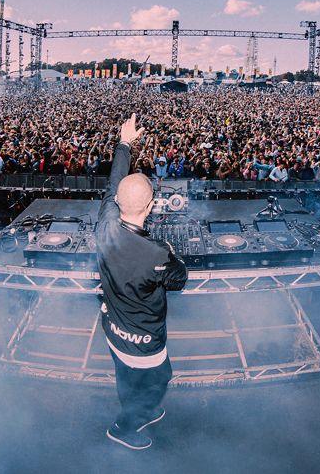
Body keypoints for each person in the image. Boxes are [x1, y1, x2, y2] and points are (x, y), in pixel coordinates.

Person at [96, 114, 188, 450]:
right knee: (159, 380)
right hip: (145, 341)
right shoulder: (157, 253)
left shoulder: (104, 227)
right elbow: (180, 280)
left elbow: (113, 183)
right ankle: (124, 427)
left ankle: (132, 407)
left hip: (112, 329)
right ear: (150, 206)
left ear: (117, 204)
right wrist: (174, 255)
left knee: (124, 376)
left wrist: (124, 144)